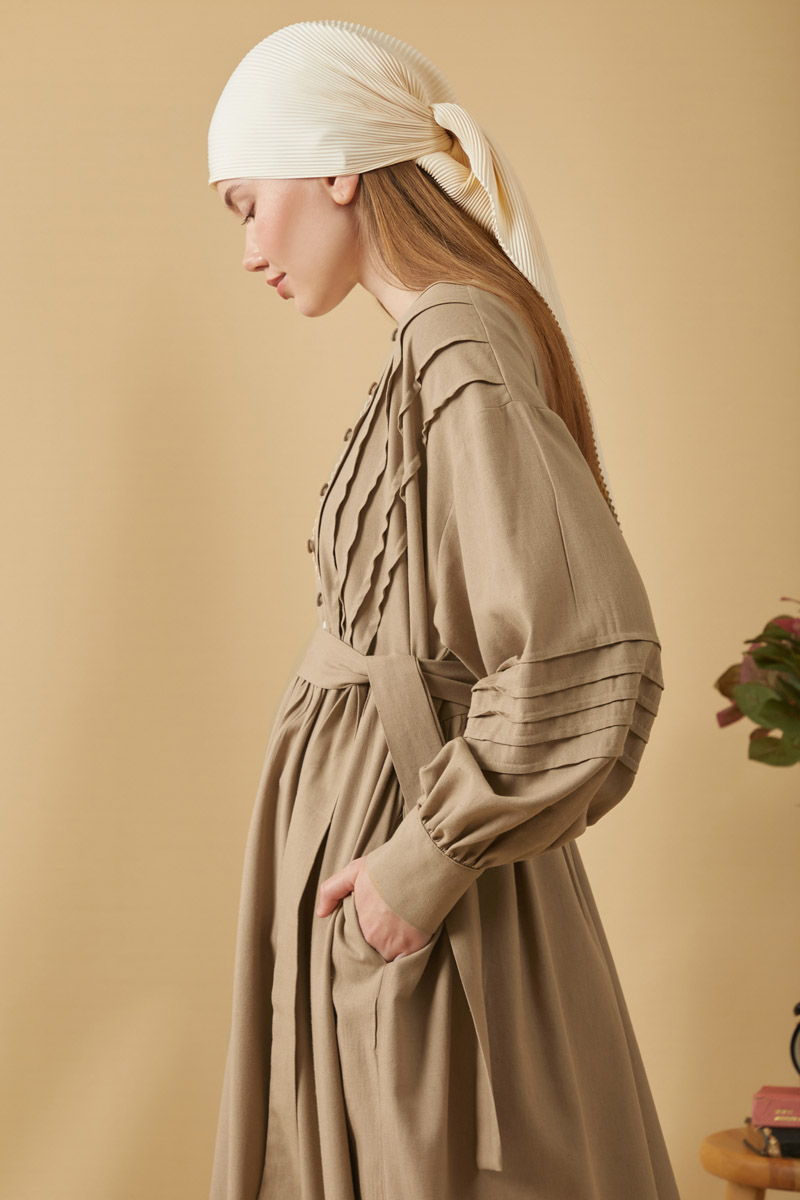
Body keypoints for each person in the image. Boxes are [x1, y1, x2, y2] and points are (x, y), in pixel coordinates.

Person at [205, 19, 681, 1200]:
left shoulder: (457, 340)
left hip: (407, 890)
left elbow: (590, 647)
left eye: (246, 205)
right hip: (372, 874)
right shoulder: (422, 347)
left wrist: (417, 869)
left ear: (334, 171)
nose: (248, 248)